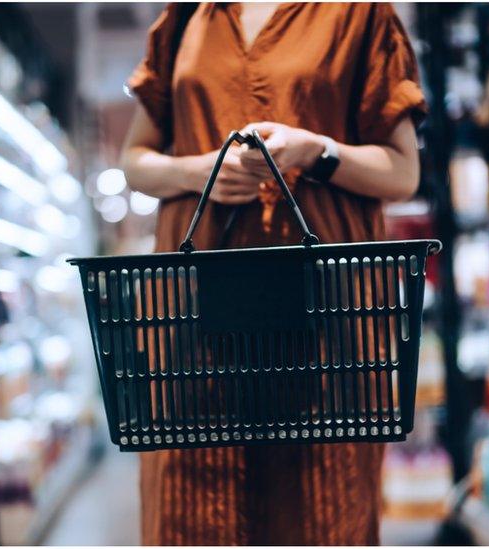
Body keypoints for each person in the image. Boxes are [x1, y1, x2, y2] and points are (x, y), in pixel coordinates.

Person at [120, 2, 427, 545]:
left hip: (330, 319)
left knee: (322, 510)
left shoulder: (359, 15)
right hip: (193, 318)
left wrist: (317, 151)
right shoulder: (188, 16)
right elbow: (136, 159)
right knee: (191, 510)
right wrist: (199, 171)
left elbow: (402, 171)